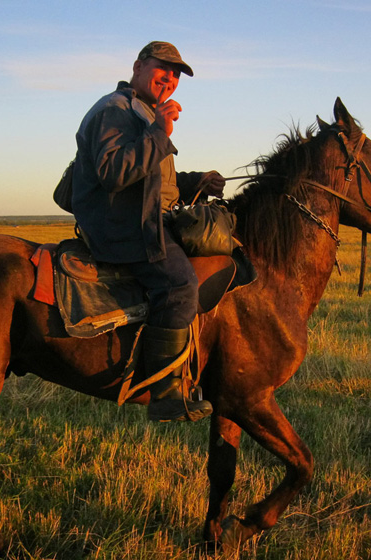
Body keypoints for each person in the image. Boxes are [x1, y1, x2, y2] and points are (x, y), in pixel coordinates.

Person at [71, 41, 225, 422]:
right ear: (138, 67)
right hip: (121, 227)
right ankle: (166, 391)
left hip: (139, 218)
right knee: (178, 283)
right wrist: (160, 130)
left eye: (176, 75)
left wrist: (195, 181)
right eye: (163, 68)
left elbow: (154, 180)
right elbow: (113, 173)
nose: (170, 79)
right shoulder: (115, 109)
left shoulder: (141, 112)